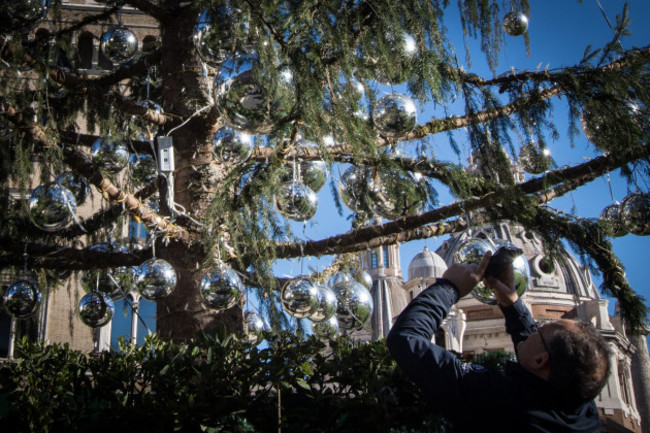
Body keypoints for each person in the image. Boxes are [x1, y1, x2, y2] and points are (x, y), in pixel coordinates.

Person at [386, 252, 611, 433]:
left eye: (541, 330)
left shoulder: (501, 402)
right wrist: (512, 303)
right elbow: (536, 352)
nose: (534, 329)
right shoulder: (582, 409)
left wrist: (449, 287)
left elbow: (406, 339)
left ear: (541, 360)